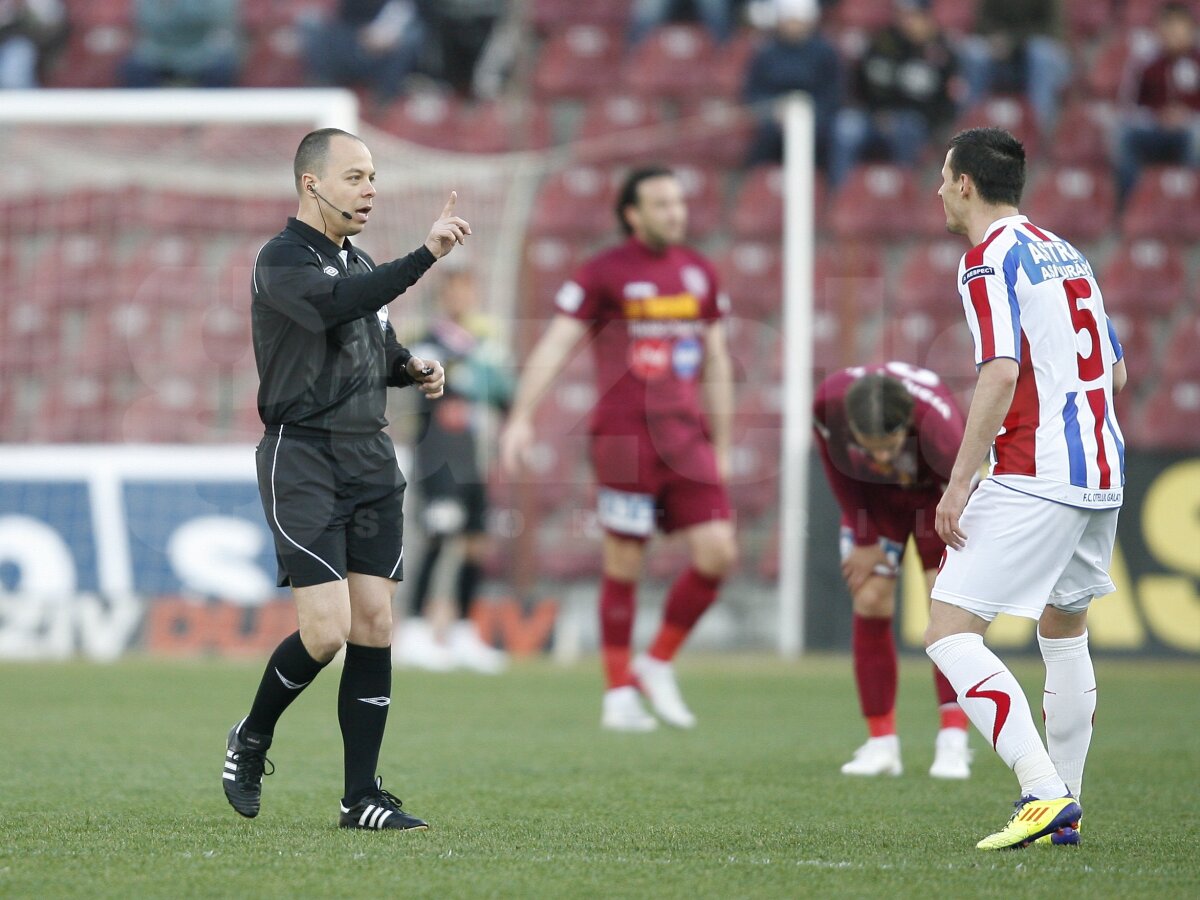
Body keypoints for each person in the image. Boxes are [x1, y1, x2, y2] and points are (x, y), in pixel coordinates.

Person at [222, 127, 471, 831]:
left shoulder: (356, 262)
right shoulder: (281, 261)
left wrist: (414, 368)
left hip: (369, 457)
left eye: (372, 177)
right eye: (356, 176)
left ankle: (359, 796)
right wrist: (427, 255)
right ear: (312, 184)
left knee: (374, 623)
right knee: (326, 632)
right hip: (303, 456)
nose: (370, 189)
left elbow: (375, 343)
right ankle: (251, 735)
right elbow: (335, 308)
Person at [927, 127, 1127, 850]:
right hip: (1101, 468)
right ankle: (1066, 810)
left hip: (1035, 469)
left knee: (948, 632)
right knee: (1064, 629)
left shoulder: (985, 259)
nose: (939, 191)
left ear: (966, 185)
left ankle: (1041, 791)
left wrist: (958, 485)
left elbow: (1001, 370)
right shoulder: (1069, 253)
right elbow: (1119, 371)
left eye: (944, 178)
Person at [499, 166, 737, 732]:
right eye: (661, 204)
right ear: (633, 213)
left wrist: (722, 443)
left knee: (718, 553)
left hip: (687, 439)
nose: (675, 213)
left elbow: (719, 362)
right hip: (624, 441)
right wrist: (521, 416)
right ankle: (616, 695)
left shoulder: (699, 273)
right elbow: (557, 343)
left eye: (678, 203)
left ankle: (655, 663)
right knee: (625, 562)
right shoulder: (604, 272)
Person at [813, 362, 971, 779]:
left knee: (947, 611)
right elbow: (835, 468)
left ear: (908, 426)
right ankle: (881, 742)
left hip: (935, 498)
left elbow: (965, 484)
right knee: (870, 597)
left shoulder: (941, 433)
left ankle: (953, 741)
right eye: (871, 446)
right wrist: (863, 536)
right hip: (874, 500)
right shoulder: (828, 406)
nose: (882, 455)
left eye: (890, 444)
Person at [397, 265, 512, 674]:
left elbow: (503, 395)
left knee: (476, 543)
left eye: (468, 290)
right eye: (455, 291)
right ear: (443, 297)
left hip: (471, 457)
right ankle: (413, 630)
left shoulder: (485, 344)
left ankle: (463, 631)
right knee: (438, 536)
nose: (462, 298)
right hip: (436, 456)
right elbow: (430, 383)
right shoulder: (426, 341)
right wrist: (472, 369)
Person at [828, 0, 958, 186]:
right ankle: (839, 196)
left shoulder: (941, 51)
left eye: (913, 16)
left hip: (913, 119)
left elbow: (946, 103)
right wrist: (877, 114)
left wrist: (922, 121)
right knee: (846, 128)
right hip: (872, 115)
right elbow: (860, 85)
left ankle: (905, 194)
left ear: (926, 17)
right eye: (902, 15)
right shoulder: (882, 41)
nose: (906, 21)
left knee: (906, 129)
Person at [1113, 2, 1200, 203]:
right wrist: (1157, 117)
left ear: (1190, 29)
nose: (1173, 33)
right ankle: (1130, 205)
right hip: (1154, 129)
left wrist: (1186, 117)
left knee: (1197, 137)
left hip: (1190, 129)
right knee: (1124, 135)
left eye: (1179, 26)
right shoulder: (1146, 63)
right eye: (1167, 26)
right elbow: (1128, 107)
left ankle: (1191, 205)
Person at [742, 0, 841, 169]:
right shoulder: (766, 53)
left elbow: (833, 93)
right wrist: (773, 110)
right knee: (763, 139)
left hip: (817, 119)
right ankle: (755, 185)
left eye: (797, 21)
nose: (792, 26)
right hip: (774, 120)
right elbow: (753, 92)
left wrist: (808, 112)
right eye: (789, 20)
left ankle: (830, 188)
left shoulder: (825, 53)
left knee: (834, 134)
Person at [956, 0, 1070, 136]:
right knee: (974, 52)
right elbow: (981, 22)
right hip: (996, 47)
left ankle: (1041, 127)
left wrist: (1013, 42)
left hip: (1035, 52)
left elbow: (1051, 28)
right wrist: (995, 39)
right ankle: (969, 122)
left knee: (1042, 53)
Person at [301, 0, 426, 104]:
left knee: (414, 35)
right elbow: (342, 14)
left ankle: (384, 99)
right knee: (310, 22)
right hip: (348, 40)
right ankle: (321, 90)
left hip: (385, 54)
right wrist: (363, 32)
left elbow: (411, 13)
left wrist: (389, 33)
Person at [120, 0, 241, 88]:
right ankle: (145, 116)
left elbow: (219, 18)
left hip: (201, 50)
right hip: (160, 50)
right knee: (135, 66)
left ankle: (213, 116)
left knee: (221, 65)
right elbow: (147, 21)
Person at [0, 0, 67, 89]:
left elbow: (50, 29)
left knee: (14, 65)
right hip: (7, 42)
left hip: (25, 46)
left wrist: (20, 9)